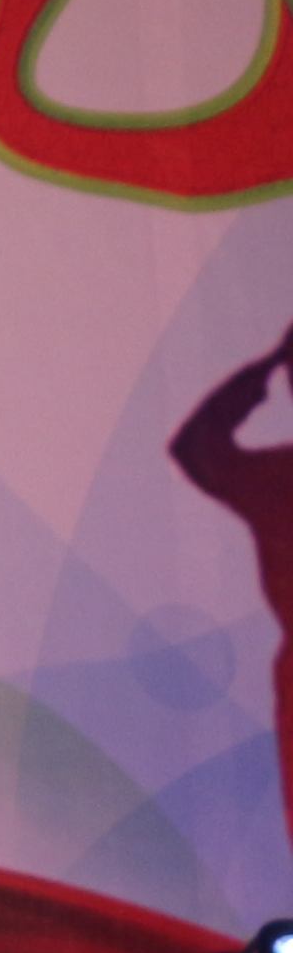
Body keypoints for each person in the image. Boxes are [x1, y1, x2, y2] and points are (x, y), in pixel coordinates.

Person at [167, 316, 293, 864]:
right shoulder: (278, 478)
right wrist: (265, 370)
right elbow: (194, 449)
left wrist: (264, 369)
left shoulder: (276, 477)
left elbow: (196, 447)